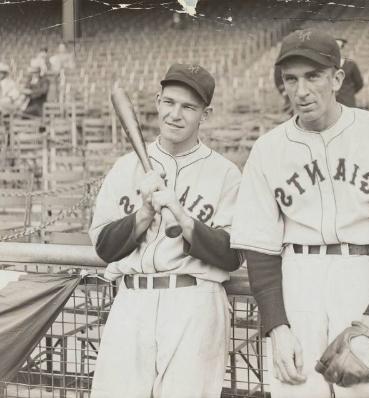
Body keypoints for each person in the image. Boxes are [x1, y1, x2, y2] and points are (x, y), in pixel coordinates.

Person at [231, 29, 369, 398]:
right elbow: (260, 249)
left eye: (313, 76)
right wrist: (277, 326)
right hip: (298, 281)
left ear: (338, 78)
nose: (301, 90)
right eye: (291, 79)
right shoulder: (267, 149)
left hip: (367, 278)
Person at [89, 63, 242, 398]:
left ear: (206, 113)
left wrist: (182, 216)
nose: (176, 114)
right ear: (157, 101)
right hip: (131, 301)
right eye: (170, 102)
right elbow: (104, 247)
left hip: (194, 302)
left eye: (189, 107)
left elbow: (231, 255)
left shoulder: (226, 174)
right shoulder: (125, 168)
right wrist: (142, 214)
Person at [335, 38, 364, 107]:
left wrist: (349, 93)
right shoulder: (328, 65)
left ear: (343, 49)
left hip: (347, 101)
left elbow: (359, 83)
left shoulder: (351, 64)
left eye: (340, 47)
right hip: (333, 101)